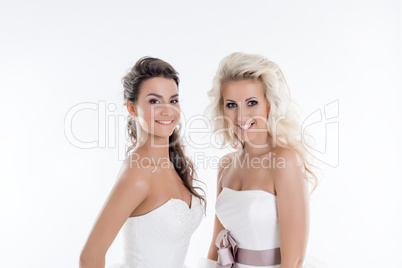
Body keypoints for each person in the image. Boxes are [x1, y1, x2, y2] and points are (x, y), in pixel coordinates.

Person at [198, 52, 324, 268]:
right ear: (222, 109)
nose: (241, 116)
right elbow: (216, 245)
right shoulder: (226, 165)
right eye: (231, 105)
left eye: (252, 102)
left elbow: (293, 260)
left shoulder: (285, 162)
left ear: (269, 105)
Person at [80, 56, 206, 268]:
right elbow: (90, 256)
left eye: (173, 100)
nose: (167, 110)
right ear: (131, 108)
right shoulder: (138, 173)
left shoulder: (174, 163)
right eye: (154, 101)